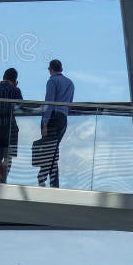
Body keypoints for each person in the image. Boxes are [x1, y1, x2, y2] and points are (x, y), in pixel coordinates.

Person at [37, 59, 75, 188]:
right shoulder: (70, 83)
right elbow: (69, 103)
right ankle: (54, 183)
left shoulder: (52, 81)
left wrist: (44, 123)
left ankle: (42, 177)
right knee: (53, 150)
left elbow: (49, 103)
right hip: (63, 119)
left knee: (48, 150)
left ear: (51, 69)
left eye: (49, 69)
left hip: (53, 117)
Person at [0, 68, 22, 183]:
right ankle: (4, 180)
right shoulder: (15, 90)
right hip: (10, 127)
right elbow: (20, 105)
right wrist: (15, 87)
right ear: (15, 80)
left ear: (3, 77)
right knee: (8, 157)